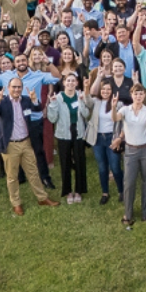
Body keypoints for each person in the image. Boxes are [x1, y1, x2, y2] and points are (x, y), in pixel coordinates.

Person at [0, 76, 59, 215]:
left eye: (19, 87)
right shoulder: (2, 102)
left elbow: (37, 108)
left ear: (22, 89)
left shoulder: (26, 100)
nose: (16, 89)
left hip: (26, 142)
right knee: (12, 176)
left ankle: (42, 198)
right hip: (10, 145)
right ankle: (16, 203)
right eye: (14, 87)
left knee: (33, 172)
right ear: (9, 88)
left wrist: (34, 99)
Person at [114, 86, 146, 229]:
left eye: (141, 93)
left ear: (144, 95)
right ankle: (128, 213)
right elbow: (115, 118)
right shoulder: (125, 110)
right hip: (131, 150)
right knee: (129, 182)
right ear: (131, 95)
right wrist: (113, 107)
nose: (138, 96)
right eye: (135, 93)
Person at [46, 73, 88, 203]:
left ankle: (79, 190)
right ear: (64, 83)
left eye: (73, 81)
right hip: (64, 134)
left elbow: (86, 115)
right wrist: (52, 105)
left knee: (80, 162)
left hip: (78, 133)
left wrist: (82, 102)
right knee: (65, 163)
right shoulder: (57, 98)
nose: (70, 83)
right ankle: (68, 191)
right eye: (68, 81)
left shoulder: (80, 96)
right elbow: (52, 118)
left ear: (76, 83)